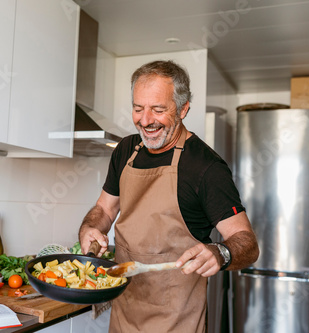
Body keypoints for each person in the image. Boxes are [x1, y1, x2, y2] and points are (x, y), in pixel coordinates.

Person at [78, 60, 259, 332]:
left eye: (158, 110)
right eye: (138, 108)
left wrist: (221, 252)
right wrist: (90, 227)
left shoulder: (206, 167)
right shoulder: (126, 150)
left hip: (177, 322)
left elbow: (248, 243)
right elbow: (104, 210)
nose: (146, 120)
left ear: (183, 109)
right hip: (123, 316)